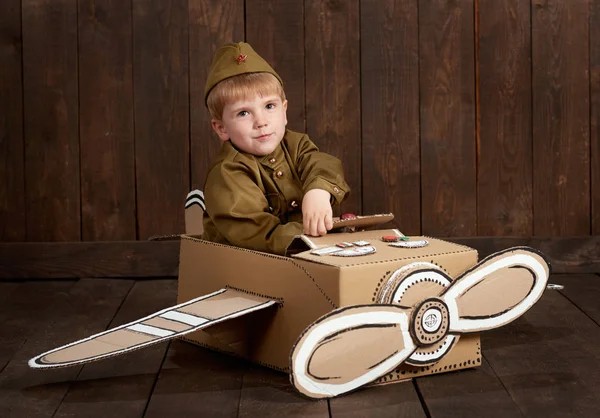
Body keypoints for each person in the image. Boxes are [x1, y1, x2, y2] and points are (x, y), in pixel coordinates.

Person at [201, 42, 350, 255]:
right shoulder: (226, 173)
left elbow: (320, 163)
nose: (261, 121)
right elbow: (263, 237)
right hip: (246, 266)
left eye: (269, 106)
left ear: (284, 111)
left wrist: (319, 190)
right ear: (221, 128)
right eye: (243, 113)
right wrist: (321, 231)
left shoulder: (295, 144)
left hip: (298, 256)